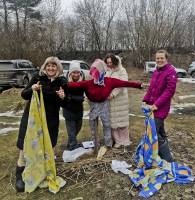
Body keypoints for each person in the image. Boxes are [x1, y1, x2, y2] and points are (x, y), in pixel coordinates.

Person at [66, 59, 143, 152]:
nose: (94, 74)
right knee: (93, 126)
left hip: (104, 105)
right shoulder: (89, 83)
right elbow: (73, 85)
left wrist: (139, 85)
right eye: (93, 72)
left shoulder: (109, 81)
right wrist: (59, 85)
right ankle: (96, 145)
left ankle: (108, 144)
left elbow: (124, 83)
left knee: (107, 125)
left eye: (96, 72)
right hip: (93, 106)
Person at [16, 56, 67, 192]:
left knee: (47, 145)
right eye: (48, 65)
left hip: (50, 120)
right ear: (44, 67)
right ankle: (20, 173)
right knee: (26, 144)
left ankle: (43, 171)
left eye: (53, 65)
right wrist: (32, 88)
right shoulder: (37, 78)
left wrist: (62, 97)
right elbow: (24, 94)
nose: (50, 68)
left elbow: (64, 104)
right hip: (33, 118)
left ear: (58, 68)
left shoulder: (61, 82)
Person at [143, 49, 177, 162]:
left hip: (161, 108)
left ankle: (168, 159)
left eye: (162, 58)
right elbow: (151, 89)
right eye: (157, 58)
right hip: (151, 107)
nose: (159, 60)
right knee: (160, 131)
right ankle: (160, 153)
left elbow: (169, 91)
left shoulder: (170, 71)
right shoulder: (156, 71)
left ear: (166, 58)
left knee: (155, 132)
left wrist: (157, 104)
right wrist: (145, 100)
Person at [105, 53, 132, 148]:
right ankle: (117, 140)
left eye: (110, 62)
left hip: (120, 99)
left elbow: (123, 84)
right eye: (107, 62)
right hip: (110, 100)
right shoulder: (108, 71)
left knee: (122, 120)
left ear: (115, 61)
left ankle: (124, 140)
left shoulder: (122, 70)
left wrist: (113, 94)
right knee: (113, 121)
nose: (109, 64)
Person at [62, 62, 85, 151]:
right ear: (70, 73)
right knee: (71, 130)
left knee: (78, 127)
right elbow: (66, 96)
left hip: (79, 109)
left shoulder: (82, 81)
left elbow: (83, 94)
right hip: (69, 109)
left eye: (77, 72)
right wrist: (77, 98)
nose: (76, 74)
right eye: (74, 72)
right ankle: (73, 146)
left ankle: (71, 142)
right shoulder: (65, 81)